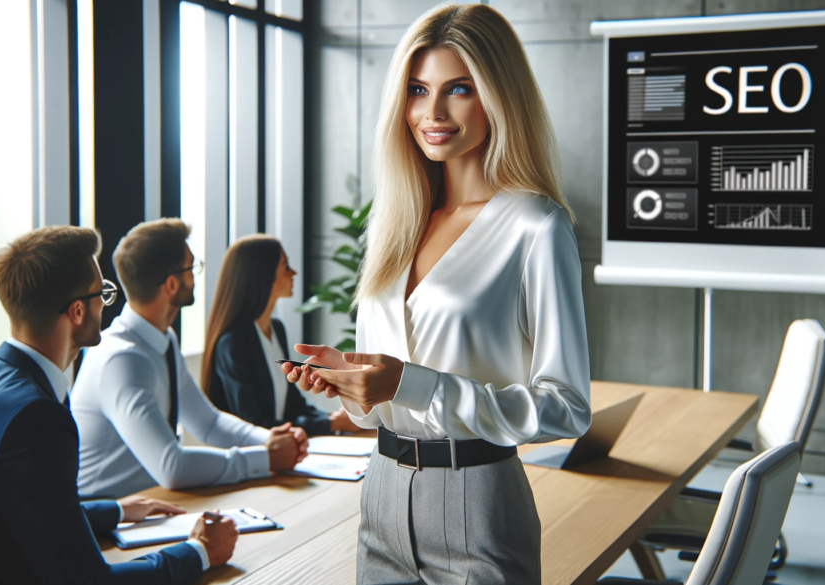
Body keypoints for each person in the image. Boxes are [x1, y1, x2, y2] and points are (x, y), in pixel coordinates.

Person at [282, 4, 591, 584]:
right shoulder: (397, 221)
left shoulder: (536, 226)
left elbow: (567, 408)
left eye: (459, 90)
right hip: (381, 497)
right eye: (418, 89)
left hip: (477, 502)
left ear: (498, 97)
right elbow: (379, 408)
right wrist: (351, 385)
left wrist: (410, 383)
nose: (432, 112)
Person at [0, 226, 238, 583]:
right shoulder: (36, 418)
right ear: (77, 311)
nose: (107, 303)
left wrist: (115, 510)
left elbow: (23, 508)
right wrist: (198, 552)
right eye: (103, 293)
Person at [72, 219, 308, 499]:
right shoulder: (122, 360)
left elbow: (209, 422)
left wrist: (269, 439)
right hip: (111, 526)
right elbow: (171, 467)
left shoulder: (163, 340)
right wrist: (266, 458)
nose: (197, 276)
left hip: (153, 506)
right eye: (193, 268)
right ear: (172, 284)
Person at [200, 235, 362, 435]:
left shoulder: (276, 329)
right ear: (263, 275)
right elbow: (251, 423)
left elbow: (293, 405)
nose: (293, 273)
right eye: (286, 266)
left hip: (286, 448)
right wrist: (330, 424)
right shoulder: (233, 342)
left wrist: (332, 419)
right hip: (256, 456)